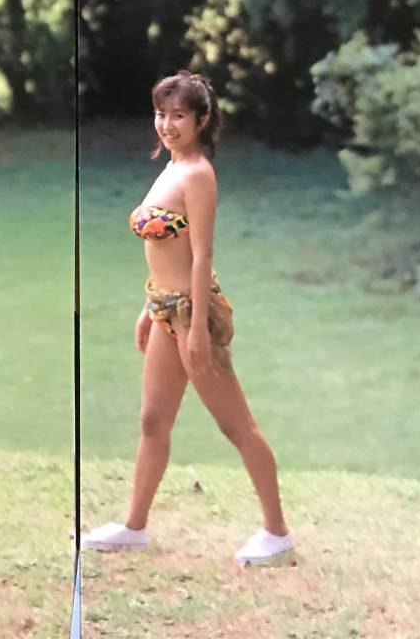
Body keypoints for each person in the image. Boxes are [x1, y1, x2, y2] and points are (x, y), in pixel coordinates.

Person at [81, 69, 295, 565]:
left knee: (237, 425)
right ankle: (134, 527)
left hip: (190, 315)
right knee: (153, 420)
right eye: (161, 114)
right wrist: (148, 309)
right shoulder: (171, 166)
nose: (167, 124)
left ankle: (278, 533)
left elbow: (200, 256)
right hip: (164, 310)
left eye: (178, 115)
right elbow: (167, 253)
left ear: (201, 120)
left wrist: (196, 330)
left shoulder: (198, 174)